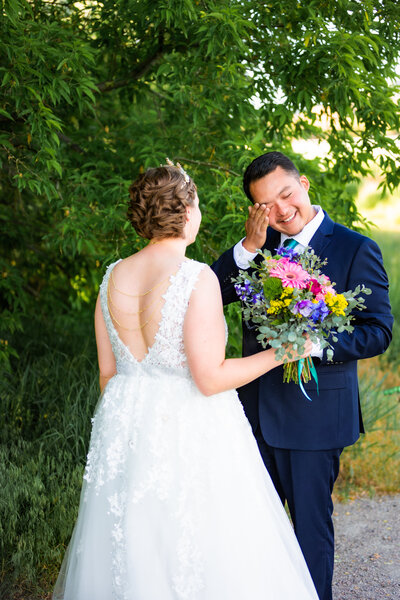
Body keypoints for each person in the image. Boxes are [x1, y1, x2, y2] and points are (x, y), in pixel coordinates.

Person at [53, 163, 319, 599]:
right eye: (196, 203)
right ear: (187, 210)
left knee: (134, 546)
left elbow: (108, 373)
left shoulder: (111, 277)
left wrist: (132, 429)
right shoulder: (196, 277)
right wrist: (283, 352)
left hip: (126, 429)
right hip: (192, 429)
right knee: (205, 546)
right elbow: (210, 378)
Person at [211, 151, 393, 600]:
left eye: (286, 194)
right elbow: (208, 293)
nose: (281, 210)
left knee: (309, 532)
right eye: (265, 205)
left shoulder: (354, 248)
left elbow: (378, 332)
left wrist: (319, 346)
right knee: (255, 528)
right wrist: (248, 248)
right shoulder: (258, 249)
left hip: (316, 416)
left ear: (305, 184)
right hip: (253, 413)